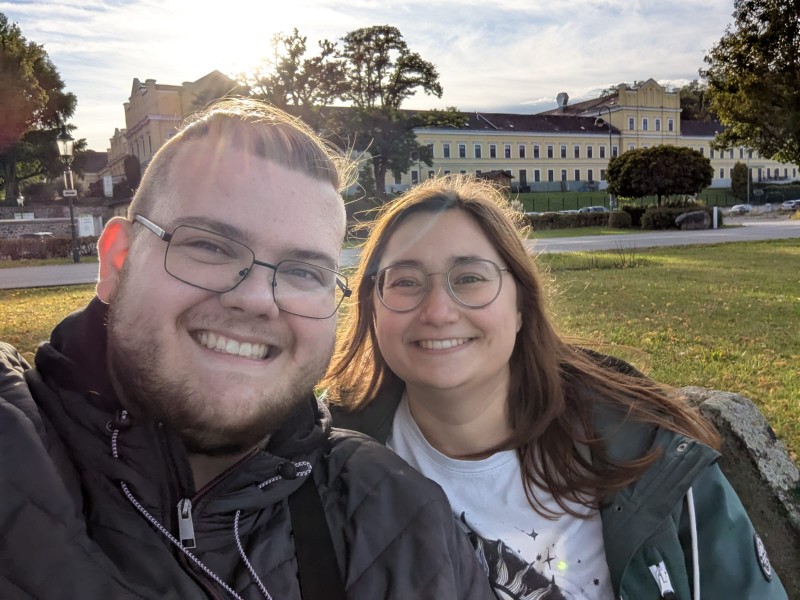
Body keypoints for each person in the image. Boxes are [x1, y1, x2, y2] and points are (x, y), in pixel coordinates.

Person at [0, 100, 496, 600]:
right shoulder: (16, 446)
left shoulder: (403, 520)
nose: (258, 299)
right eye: (210, 246)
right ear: (117, 261)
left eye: (303, 271)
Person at [325, 174, 787, 599]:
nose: (438, 312)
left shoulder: (647, 447)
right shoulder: (324, 470)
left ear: (521, 306)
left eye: (469, 278)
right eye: (406, 281)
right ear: (372, 308)